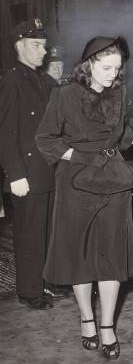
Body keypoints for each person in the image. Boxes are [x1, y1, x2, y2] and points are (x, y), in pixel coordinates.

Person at [36, 36, 133, 359]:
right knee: (79, 253)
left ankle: (107, 325)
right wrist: (81, 158)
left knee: (111, 252)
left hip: (113, 178)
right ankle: (87, 319)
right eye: (107, 67)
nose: (113, 74)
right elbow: (46, 139)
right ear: (89, 64)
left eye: (117, 69)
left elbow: (121, 133)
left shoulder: (118, 93)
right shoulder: (64, 94)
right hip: (75, 181)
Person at [0, 18, 66, 310]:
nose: (43, 51)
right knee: (29, 233)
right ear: (19, 46)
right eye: (36, 45)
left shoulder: (43, 80)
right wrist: (15, 174)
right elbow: (6, 130)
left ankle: (46, 283)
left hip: (47, 172)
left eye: (44, 45)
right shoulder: (12, 80)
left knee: (48, 231)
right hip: (26, 174)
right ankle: (29, 290)